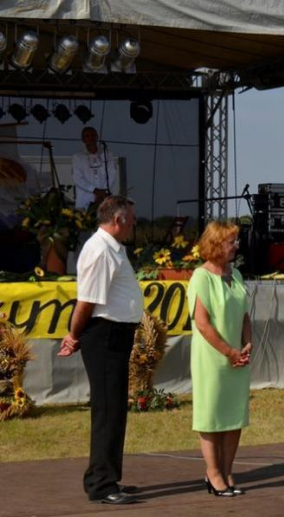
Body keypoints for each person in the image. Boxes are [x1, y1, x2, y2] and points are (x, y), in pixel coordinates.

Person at [58, 195, 142, 505]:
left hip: (115, 333)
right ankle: (101, 484)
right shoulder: (99, 250)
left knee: (115, 408)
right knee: (108, 409)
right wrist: (73, 334)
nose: (134, 222)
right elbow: (87, 301)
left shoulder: (111, 248)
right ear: (118, 220)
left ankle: (108, 477)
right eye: (131, 218)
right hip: (105, 334)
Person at [187, 221, 252, 497]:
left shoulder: (235, 274)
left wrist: (247, 343)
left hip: (238, 358)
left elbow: (245, 314)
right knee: (211, 415)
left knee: (234, 416)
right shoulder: (200, 277)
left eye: (236, 240)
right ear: (215, 244)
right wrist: (229, 351)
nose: (236, 245)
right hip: (212, 359)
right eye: (231, 241)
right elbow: (202, 324)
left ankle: (227, 471)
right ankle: (213, 474)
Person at [72, 127, 118, 211]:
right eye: (87, 136)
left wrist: (103, 192)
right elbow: (77, 178)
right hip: (85, 198)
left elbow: (112, 173)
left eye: (93, 135)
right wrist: (95, 190)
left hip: (104, 196)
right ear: (83, 140)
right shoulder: (78, 157)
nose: (91, 138)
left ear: (97, 137)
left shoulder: (107, 154)